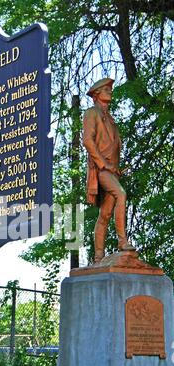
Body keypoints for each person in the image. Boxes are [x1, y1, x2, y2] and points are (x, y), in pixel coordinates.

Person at [83, 78, 135, 263]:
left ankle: (98, 256)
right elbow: (88, 141)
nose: (110, 91)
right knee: (121, 194)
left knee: (104, 214)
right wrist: (103, 164)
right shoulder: (91, 113)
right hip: (101, 169)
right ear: (97, 94)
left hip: (112, 170)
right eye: (106, 89)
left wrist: (116, 168)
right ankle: (123, 242)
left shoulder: (111, 119)